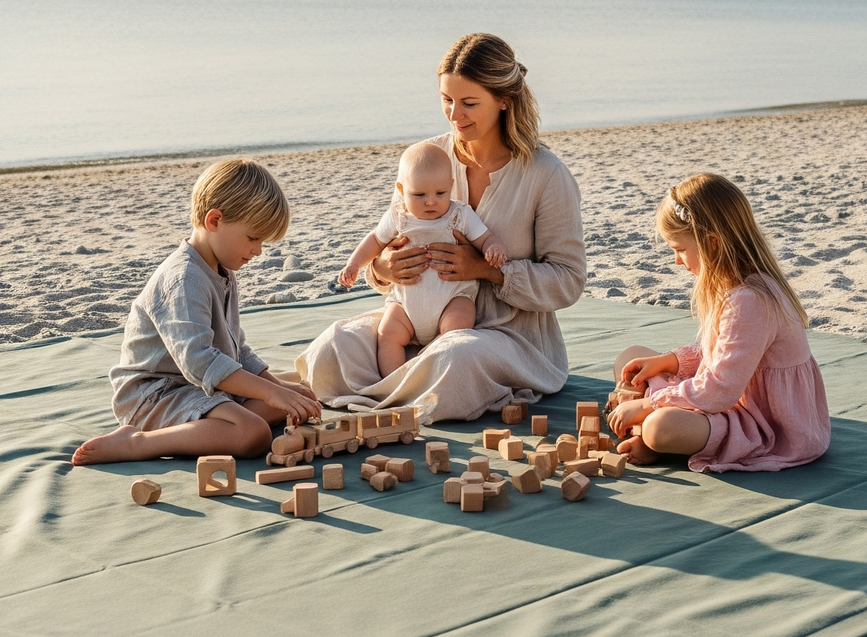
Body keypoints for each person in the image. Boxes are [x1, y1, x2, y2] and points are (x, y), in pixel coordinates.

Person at [300, 33, 585, 421]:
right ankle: (408, 388)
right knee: (333, 345)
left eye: (469, 103)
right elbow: (389, 239)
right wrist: (382, 269)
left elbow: (568, 280)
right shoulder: (426, 159)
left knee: (455, 356)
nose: (454, 115)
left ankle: (396, 394)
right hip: (416, 324)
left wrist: (487, 270)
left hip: (504, 338)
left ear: (504, 99)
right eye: (446, 100)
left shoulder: (546, 174)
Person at [71, 158, 321, 465]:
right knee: (252, 433)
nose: (258, 251)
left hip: (200, 386)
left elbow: (237, 349)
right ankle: (138, 442)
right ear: (214, 221)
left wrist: (278, 389)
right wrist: (270, 393)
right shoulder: (184, 278)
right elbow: (200, 361)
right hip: (157, 395)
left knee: (298, 396)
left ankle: (220, 418)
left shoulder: (223, 271)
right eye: (253, 238)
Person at [608, 173, 831, 472]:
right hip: (730, 398)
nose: (677, 261)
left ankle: (650, 439)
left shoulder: (750, 300)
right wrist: (669, 362)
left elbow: (719, 389)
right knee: (631, 357)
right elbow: (722, 354)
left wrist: (649, 405)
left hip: (763, 424)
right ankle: (646, 429)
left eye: (680, 249)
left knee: (659, 427)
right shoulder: (731, 284)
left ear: (712, 243)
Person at [339, 141, 508, 377]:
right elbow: (375, 241)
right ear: (401, 189)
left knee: (457, 328)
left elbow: (485, 237)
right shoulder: (398, 216)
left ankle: (432, 356)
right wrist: (355, 263)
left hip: (452, 297)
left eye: (440, 193)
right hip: (406, 303)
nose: (431, 201)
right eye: (419, 195)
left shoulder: (459, 214)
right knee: (387, 335)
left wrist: (493, 248)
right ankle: (394, 381)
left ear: (451, 186)